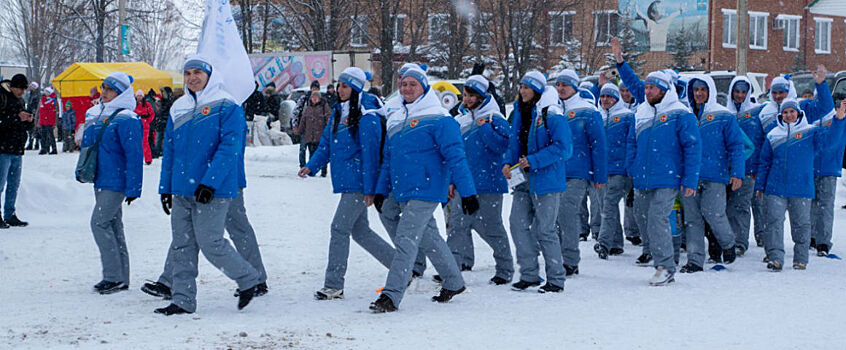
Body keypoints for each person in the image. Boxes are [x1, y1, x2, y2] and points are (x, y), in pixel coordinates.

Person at [155, 55, 261, 315]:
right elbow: (169, 151)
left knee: (211, 242)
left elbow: (230, 147)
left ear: (209, 75)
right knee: (182, 245)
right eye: (188, 72)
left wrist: (210, 182)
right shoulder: (178, 107)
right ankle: (182, 300)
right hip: (181, 189)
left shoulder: (227, 104)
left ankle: (248, 278)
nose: (192, 77)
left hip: (212, 190)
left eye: (197, 73)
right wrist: (165, 188)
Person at [369, 64, 477, 312]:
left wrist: (467, 191)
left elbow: (456, 157)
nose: (407, 88)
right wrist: (380, 190)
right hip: (402, 188)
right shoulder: (396, 117)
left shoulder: (440, 118)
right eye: (404, 84)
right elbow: (388, 158)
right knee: (426, 235)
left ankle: (391, 295)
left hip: (427, 187)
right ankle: (453, 280)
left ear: (424, 87)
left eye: (413, 84)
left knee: (407, 238)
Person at [141, 101, 269, 301]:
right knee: (188, 233)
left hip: (225, 182)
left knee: (231, 230)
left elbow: (230, 148)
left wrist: (213, 179)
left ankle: (255, 277)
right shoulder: (199, 105)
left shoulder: (227, 105)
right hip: (205, 182)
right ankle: (169, 281)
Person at [297, 67, 395, 300]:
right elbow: (326, 145)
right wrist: (312, 165)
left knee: (339, 228)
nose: (339, 90)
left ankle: (333, 284)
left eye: (344, 86)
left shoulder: (367, 115)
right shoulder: (338, 112)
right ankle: (402, 266)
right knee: (361, 232)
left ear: (356, 89)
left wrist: (371, 189)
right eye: (339, 85)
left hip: (359, 183)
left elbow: (371, 155)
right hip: (347, 181)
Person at [626, 70, 701, 285]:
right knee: (645, 219)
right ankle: (662, 258)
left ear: (664, 89)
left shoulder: (680, 113)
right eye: (646, 87)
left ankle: (666, 266)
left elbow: (692, 147)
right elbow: (632, 142)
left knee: (658, 218)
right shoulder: (641, 111)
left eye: (652, 88)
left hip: (669, 177)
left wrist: (690, 179)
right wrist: (631, 165)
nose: (647, 91)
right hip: (643, 178)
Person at [501, 71, 571, 293]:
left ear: (537, 90)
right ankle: (530, 274)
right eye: (521, 87)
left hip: (546, 179)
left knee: (546, 230)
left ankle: (556, 278)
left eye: (527, 88)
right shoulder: (520, 111)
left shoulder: (551, 113)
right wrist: (508, 162)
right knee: (517, 224)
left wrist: (534, 161)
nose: (522, 91)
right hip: (522, 178)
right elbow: (515, 142)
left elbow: (564, 148)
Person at [756, 99, 845, 271]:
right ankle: (775, 258)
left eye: (792, 112)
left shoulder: (810, 132)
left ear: (798, 113)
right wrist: (760, 185)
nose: (789, 115)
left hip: (801, 187)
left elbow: (830, 142)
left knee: (801, 225)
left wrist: (839, 120)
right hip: (775, 188)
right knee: (773, 223)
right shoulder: (773, 134)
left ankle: (800, 259)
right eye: (785, 112)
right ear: (781, 115)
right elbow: (765, 161)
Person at [444, 75, 514, 285]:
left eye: (471, 95)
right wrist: (452, 180)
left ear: (482, 97)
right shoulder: (461, 121)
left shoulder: (495, 118)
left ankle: (505, 268)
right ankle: (451, 270)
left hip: (490, 184)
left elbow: (502, 147)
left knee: (493, 228)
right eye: (464, 95)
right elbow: (456, 155)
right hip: (465, 185)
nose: (466, 99)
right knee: (456, 226)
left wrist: (484, 127)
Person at [80, 71, 143, 294]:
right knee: (114, 226)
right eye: (103, 87)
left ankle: (113, 276)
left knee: (98, 223)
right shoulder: (99, 114)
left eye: (109, 89)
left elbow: (134, 155)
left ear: (121, 93)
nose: (103, 92)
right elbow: (89, 145)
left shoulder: (128, 118)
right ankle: (121, 278)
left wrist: (134, 187)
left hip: (116, 181)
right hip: (101, 179)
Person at [676, 75, 745, 273]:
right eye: (696, 90)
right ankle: (695, 260)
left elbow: (736, 146)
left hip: (715, 175)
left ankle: (728, 242)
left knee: (714, 213)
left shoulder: (723, 115)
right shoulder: (684, 114)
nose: (699, 93)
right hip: (689, 176)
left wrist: (737, 173)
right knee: (692, 219)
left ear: (711, 91)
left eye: (703, 90)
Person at [554, 70, 607, 276]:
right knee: (553, 217)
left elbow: (598, 145)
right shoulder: (552, 109)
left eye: (565, 85)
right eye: (558, 85)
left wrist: (599, 175)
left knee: (567, 214)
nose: (561, 88)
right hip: (554, 171)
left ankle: (570, 259)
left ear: (575, 87)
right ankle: (555, 256)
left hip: (577, 172)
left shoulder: (587, 111)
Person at [725, 76, 766, 252]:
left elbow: (759, 142)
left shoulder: (756, 114)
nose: (740, 95)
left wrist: (757, 167)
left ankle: (740, 242)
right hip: (725, 169)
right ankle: (726, 239)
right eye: (737, 91)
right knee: (726, 207)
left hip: (748, 169)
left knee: (741, 206)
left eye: (743, 92)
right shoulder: (725, 113)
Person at [595, 83, 635, 259]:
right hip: (604, 171)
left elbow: (631, 143)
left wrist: (629, 166)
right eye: (603, 96)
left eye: (609, 96)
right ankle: (615, 243)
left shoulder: (627, 116)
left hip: (621, 170)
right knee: (608, 206)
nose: (605, 100)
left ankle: (604, 242)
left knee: (612, 206)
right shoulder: (599, 117)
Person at [0, 74, 34, 229]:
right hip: (3, 148)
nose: (22, 92)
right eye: (20, 88)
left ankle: (9, 214)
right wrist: (16, 117)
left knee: (13, 184)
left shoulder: (21, 101)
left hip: (17, 148)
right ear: (12, 86)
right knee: (1, 184)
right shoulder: (2, 98)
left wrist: (28, 121)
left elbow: (21, 125)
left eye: (24, 89)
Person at [298, 91, 331, 177]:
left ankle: (323, 172)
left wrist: (329, 131)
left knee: (321, 154)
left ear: (319, 98)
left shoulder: (324, 107)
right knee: (312, 154)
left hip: (320, 135)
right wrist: (300, 131)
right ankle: (311, 171)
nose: (314, 99)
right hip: (310, 135)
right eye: (313, 97)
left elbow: (328, 119)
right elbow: (303, 120)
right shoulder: (308, 108)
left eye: (316, 97)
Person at [293, 80, 322, 168]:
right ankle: (302, 166)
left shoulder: (321, 100)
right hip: (304, 127)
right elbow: (296, 112)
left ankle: (310, 166)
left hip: (316, 129)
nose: (315, 90)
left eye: (316, 88)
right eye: (313, 88)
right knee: (303, 148)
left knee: (312, 149)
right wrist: (295, 124)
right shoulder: (304, 98)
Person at [134, 90, 155, 165]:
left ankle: (148, 159)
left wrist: (147, 121)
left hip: (145, 125)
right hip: (136, 124)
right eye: (138, 96)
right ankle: (136, 158)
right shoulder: (133, 104)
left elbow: (152, 114)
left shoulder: (147, 104)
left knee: (145, 142)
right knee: (135, 141)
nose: (139, 97)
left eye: (140, 96)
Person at [152, 87, 174, 158]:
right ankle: (157, 152)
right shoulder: (161, 101)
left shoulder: (171, 102)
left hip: (166, 123)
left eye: (164, 92)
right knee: (158, 138)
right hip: (160, 122)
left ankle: (163, 151)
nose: (163, 93)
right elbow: (158, 112)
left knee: (165, 138)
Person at [38, 88, 58, 155]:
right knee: (43, 135)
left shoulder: (52, 99)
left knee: (50, 135)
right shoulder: (45, 99)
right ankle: (44, 148)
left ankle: (53, 148)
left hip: (49, 120)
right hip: (44, 120)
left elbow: (48, 107)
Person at [24, 82, 40, 151]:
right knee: (31, 130)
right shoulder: (30, 94)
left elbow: (36, 105)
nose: (30, 87)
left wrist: (34, 113)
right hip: (30, 113)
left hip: (34, 114)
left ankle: (36, 143)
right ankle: (31, 143)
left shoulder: (36, 95)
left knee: (35, 129)